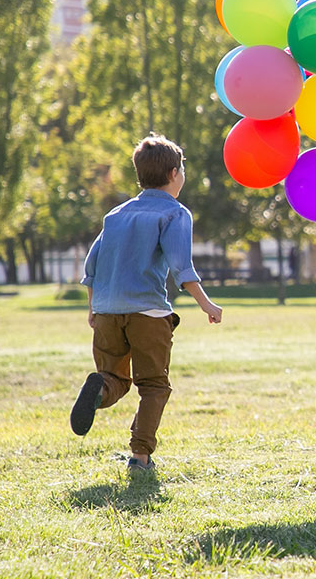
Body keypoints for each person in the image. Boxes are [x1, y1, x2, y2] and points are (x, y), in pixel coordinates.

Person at [71, 135, 222, 471]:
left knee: (115, 379)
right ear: (173, 174)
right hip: (148, 313)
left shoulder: (116, 214)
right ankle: (140, 456)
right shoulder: (175, 213)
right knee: (153, 385)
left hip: (108, 311)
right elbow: (182, 268)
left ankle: (100, 389)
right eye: (182, 170)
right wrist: (207, 305)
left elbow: (91, 266)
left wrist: (93, 307)